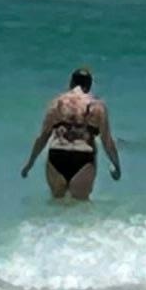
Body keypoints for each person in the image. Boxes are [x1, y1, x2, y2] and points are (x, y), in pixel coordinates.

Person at [22, 68, 120, 203]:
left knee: (56, 203)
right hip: (83, 157)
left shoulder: (57, 103)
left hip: (57, 154)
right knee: (81, 205)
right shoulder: (97, 106)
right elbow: (107, 141)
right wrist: (116, 166)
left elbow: (43, 137)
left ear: (71, 83)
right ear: (89, 86)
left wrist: (29, 164)